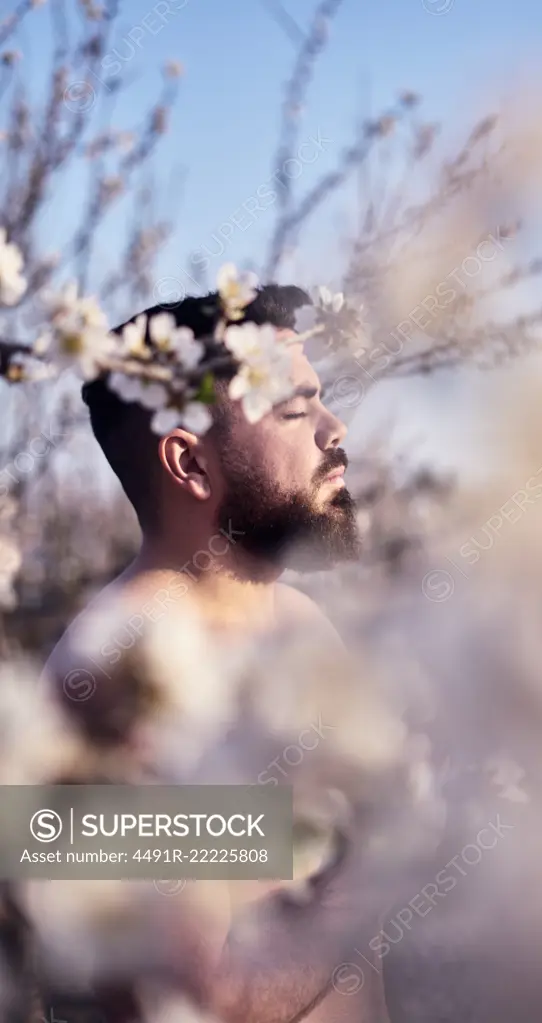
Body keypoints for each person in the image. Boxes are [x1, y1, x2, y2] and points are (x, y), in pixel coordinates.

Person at [42, 284, 391, 1022]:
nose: (334, 428)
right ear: (190, 465)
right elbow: (188, 1003)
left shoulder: (299, 622)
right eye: (295, 410)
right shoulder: (115, 688)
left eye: (319, 399)